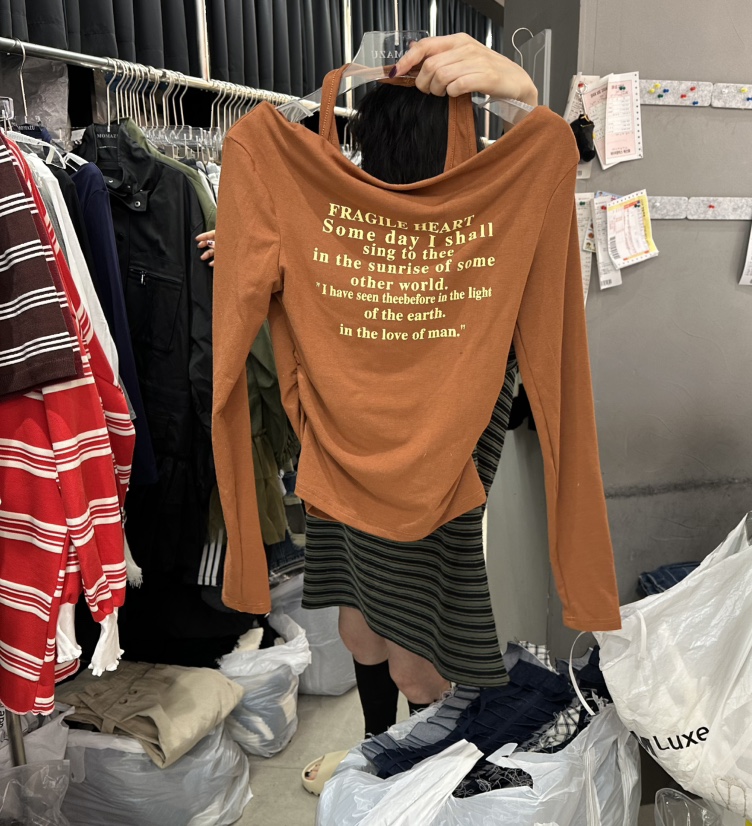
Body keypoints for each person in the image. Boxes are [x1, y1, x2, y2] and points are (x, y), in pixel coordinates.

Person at [208, 33, 541, 793]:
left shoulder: (343, 232)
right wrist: (523, 100)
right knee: (377, 633)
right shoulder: (475, 236)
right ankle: (382, 762)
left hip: (383, 470)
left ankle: (403, 772)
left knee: (395, 643)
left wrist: (268, 252)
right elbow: (548, 196)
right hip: (402, 472)